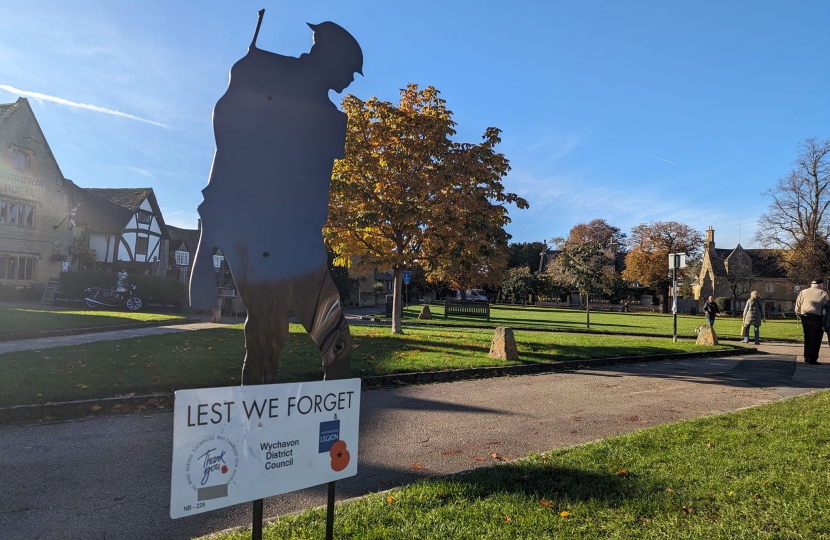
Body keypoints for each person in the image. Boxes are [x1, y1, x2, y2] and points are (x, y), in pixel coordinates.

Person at [189, 13, 362, 385]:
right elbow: (226, 157)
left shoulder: (331, 118)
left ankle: (329, 440)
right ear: (329, 57)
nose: (349, 82)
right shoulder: (260, 78)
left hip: (303, 246)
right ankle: (257, 440)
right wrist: (204, 256)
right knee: (266, 345)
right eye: (349, 70)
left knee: (339, 346)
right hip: (258, 243)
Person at [795, 278, 829, 365]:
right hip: (818, 317)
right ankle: (813, 358)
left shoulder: (803, 292)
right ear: (820, 285)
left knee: (807, 336)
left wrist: (799, 314)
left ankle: (807, 356)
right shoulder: (824, 293)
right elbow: (827, 307)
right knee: (816, 338)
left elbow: (797, 306)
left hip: (805, 317)